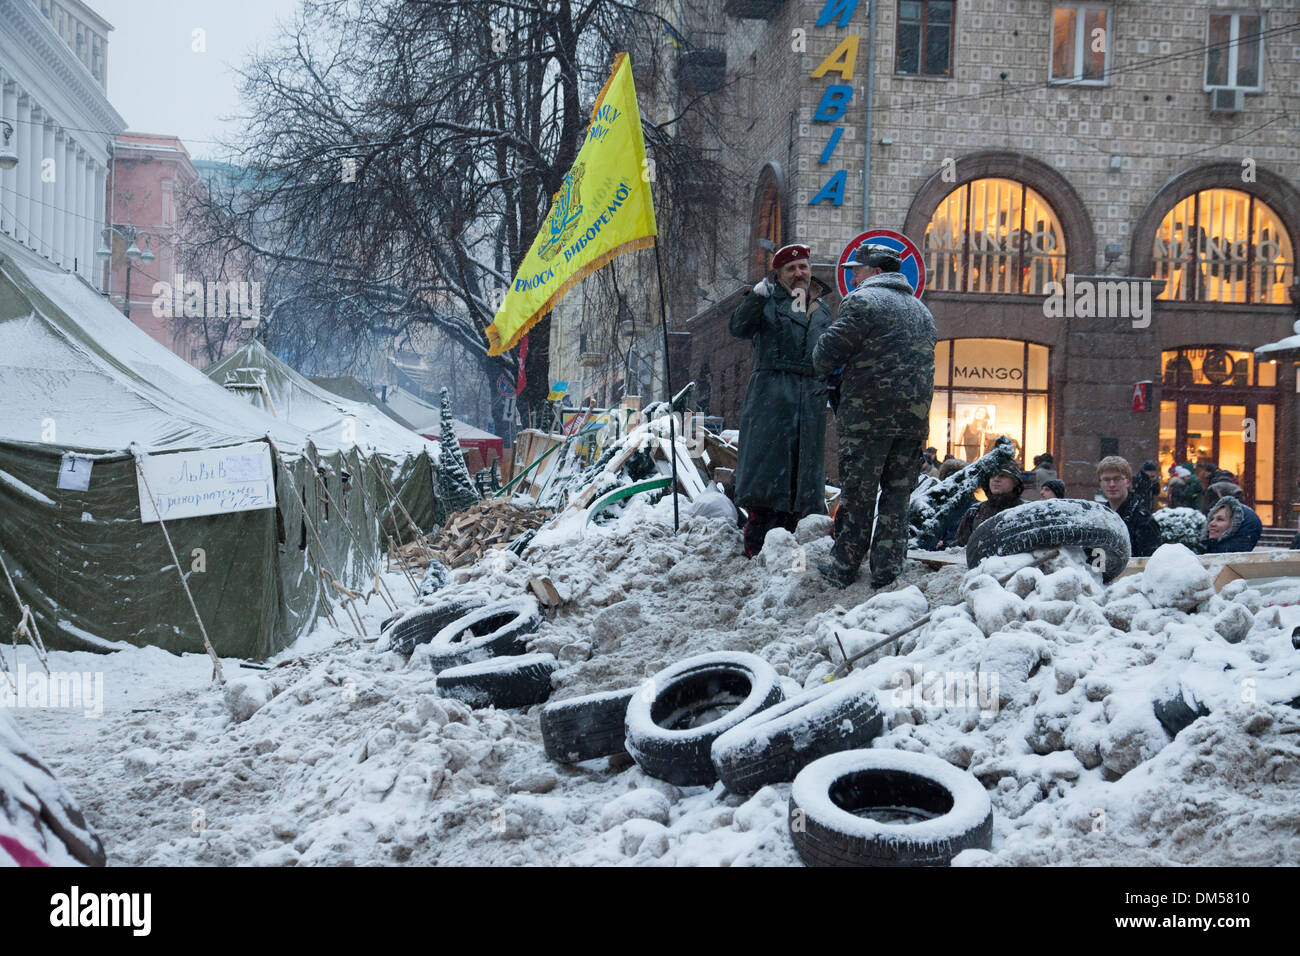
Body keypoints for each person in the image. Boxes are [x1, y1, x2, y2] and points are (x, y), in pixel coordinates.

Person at [812, 244, 937, 588]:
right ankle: (887, 568)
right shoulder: (921, 310)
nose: (853, 277)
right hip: (912, 423)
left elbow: (826, 353)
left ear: (877, 272)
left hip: (868, 419)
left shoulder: (864, 302)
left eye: (858, 270)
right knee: (897, 497)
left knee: (859, 494)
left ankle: (844, 564)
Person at [730, 243, 835, 557]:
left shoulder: (822, 308)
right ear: (778, 274)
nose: (799, 273)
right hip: (772, 399)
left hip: (811, 401)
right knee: (768, 481)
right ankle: (757, 549)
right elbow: (738, 327)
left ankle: (793, 556)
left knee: (802, 483)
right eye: (791, 269)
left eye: (803, 266)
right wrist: (755, 299)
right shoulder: (766, 301)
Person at [1098, 456, 1162, 557]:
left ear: (1128, 482)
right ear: (1100, 483)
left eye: (1117, 479)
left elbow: (1150, 563)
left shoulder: (1144, 520)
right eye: (1106, 479)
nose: (1111, 484)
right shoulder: (1099, 519)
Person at [954, 464, 1025, 547]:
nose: (996, 479)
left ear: (1015, 482)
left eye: (1002, 476)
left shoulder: (1025, 511)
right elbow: (959, 547)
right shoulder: (975, 511)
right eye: (992, 475)